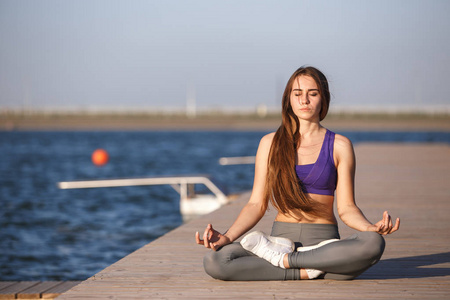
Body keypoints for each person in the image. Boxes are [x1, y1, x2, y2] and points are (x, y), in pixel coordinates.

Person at [195, 66, 400, 280]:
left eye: (313, 94)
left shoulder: (340, 145)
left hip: (324, 243)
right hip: (280, 241)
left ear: (323, 99)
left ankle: (287, 263)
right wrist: (227, 237)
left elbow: (347, 208)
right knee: (215, 261)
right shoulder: (270, 143)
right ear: (289, 99)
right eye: (297, 94)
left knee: (373, 242)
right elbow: (256, 204)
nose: (304, 100)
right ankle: (309, 270)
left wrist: (370, 227)